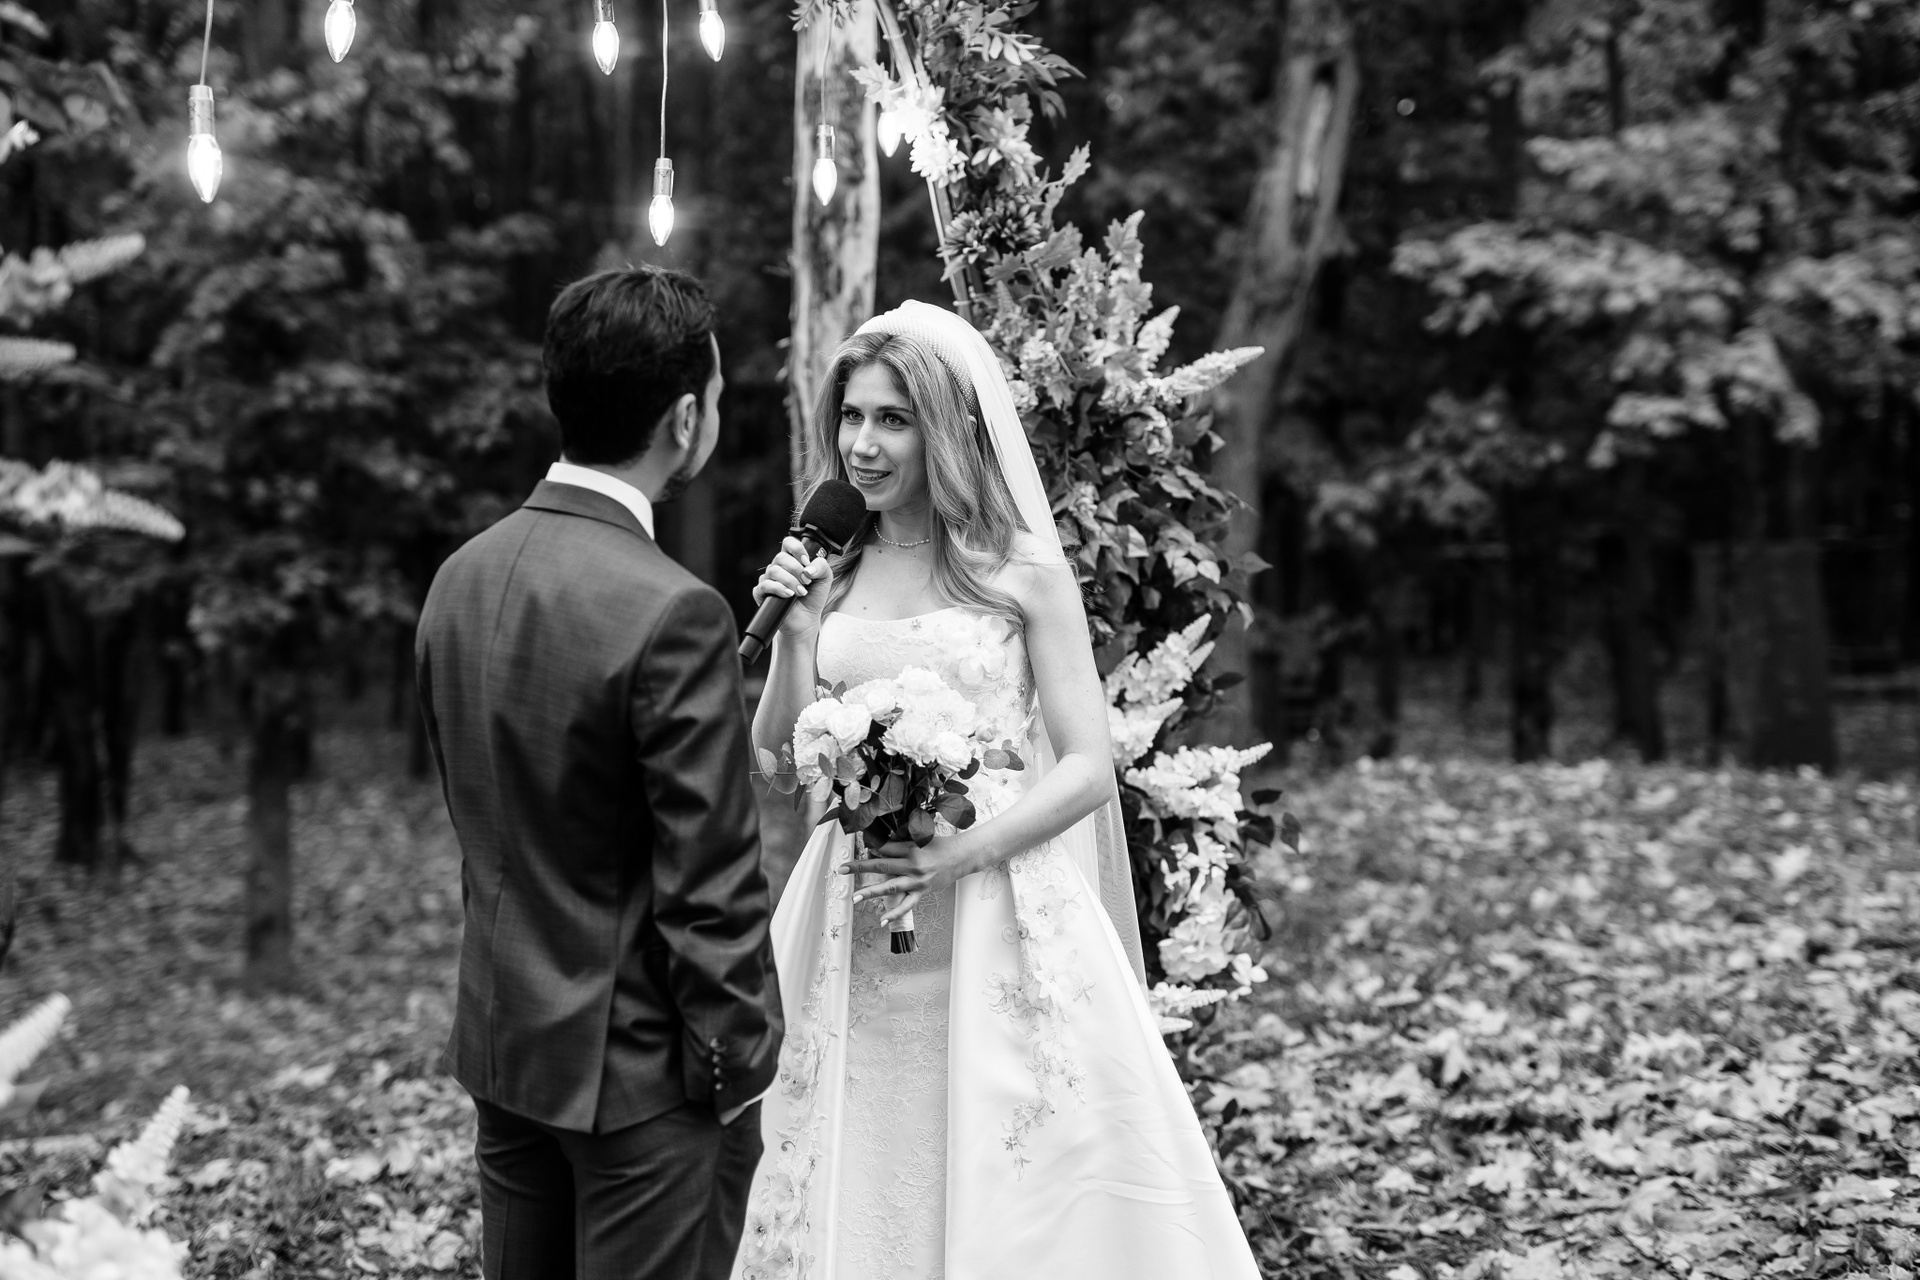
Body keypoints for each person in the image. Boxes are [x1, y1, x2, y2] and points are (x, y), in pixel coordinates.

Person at [733, 300, 1260, 1279]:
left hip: (1000, 902)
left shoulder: (1020, 571)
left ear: (943, 428)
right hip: (856, 903)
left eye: (892, 419)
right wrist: (797, 637)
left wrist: (960, 854)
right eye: (851, 417)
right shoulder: (831, 570)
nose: (863, 445)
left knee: (1007, 1155)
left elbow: (1088, 765)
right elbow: (776, 764)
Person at [416, 266, 782, 1280]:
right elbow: (710, 885)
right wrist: (738, 1069)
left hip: (507, 1050)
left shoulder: (459, 577)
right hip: (643, 1087)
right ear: (685, 419)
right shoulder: (675, 610)